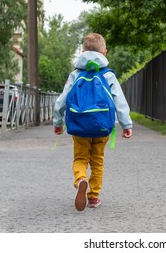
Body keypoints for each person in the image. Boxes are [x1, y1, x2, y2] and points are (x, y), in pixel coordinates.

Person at [53, 33, 133, 211]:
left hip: (79, 125)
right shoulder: (108, 75)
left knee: (80, 158)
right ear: (104, 53)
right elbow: (120, 101)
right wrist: (126, 124)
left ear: (82, 51)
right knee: (97, 161)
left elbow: (62, 100)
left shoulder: (75, 74)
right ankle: (94, 197)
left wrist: (57, 122)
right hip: (102, 126)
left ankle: (81, 179)